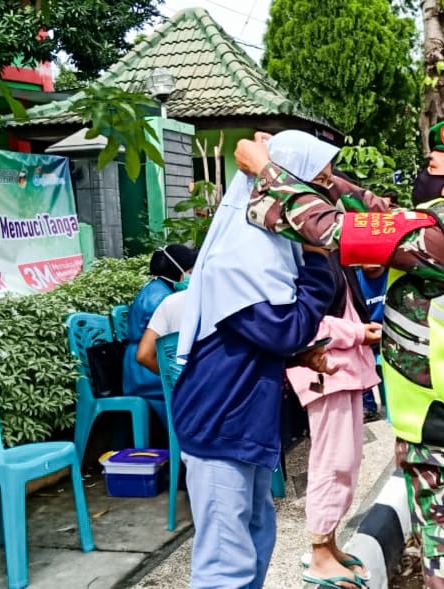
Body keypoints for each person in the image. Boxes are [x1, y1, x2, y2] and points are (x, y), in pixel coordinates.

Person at [235, 120, 444, 588]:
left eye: (433, 166)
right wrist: (326, 179)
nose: (422, 174)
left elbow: (333, 230)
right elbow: (380, 212)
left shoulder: (441, 236)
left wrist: (266, 170)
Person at [172, 130, 338, 589]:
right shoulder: (239, 258)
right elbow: (287, 326)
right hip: (222, 422)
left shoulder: (266, 251)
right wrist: (318, 254)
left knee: (256, 539)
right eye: (314, 184)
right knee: (226, 566)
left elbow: (268, 335)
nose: (322, 195)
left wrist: (297, 354)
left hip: (242, 419)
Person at [289, 250, 382, 588]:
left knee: (346, 460)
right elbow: (306, 320)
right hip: (327, 370)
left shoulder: (329, 255)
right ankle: (319, 553)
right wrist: (358, 334)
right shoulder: (308, 255)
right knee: (334, 461)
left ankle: (328, 544)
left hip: (342, 370)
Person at [122, 244, 195, 425]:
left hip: (145, 360)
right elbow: (149, 353)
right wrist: (172, 379)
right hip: (146, 371)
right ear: (177, 270)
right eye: (190, 271)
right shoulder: (161, 299)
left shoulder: (159, 288)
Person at [357, 265, 387, 422]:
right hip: (365, 335)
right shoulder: (354, 280)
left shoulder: (393, 275)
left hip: (391, 333)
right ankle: (367, 406)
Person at [134, 288, 188, 375]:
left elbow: (144, 355)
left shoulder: (172, 300)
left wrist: (175, 377)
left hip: (185, 379)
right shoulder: (163, 294)